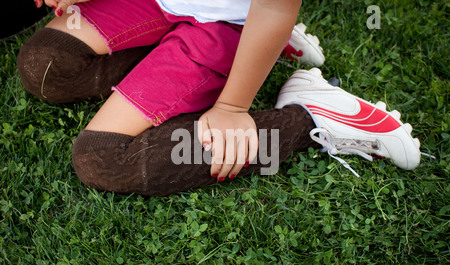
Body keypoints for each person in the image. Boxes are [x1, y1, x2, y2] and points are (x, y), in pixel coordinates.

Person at [17, 0, 421, 197]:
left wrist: (232, 108)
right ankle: (267, 46)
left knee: (101, 159)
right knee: (45, 67)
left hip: (226, 22)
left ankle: (309, 117)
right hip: (153, 3)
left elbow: (275, 5)